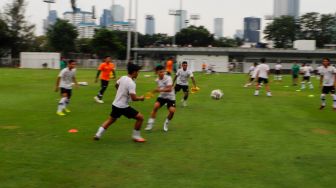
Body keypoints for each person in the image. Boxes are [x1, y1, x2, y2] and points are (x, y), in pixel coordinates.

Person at [93, 64, 146, 142]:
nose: (138, 73)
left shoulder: (123, 77)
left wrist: (122, 93)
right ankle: (136, 137)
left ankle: (98, 134)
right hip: (123, 107)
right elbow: (134, 98)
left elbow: (116, 85)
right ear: (134, 72)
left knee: (111, 120)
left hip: (115, 104)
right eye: (138, 72)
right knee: (140, 118)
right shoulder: (131, 83)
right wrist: (140, 98)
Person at [145, 65, 176, 132]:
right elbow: (159, 87)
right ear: (157, 72)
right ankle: (150, 124)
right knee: (155, 106)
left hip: (171, 97)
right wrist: (153, 92)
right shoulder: (157, 80)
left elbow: (169, 89)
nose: (162, 73)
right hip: (162, 96)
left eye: (163, 72)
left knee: (172, 111)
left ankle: (166, 122)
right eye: (160, 72)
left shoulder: (168, 78)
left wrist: (159, 90)